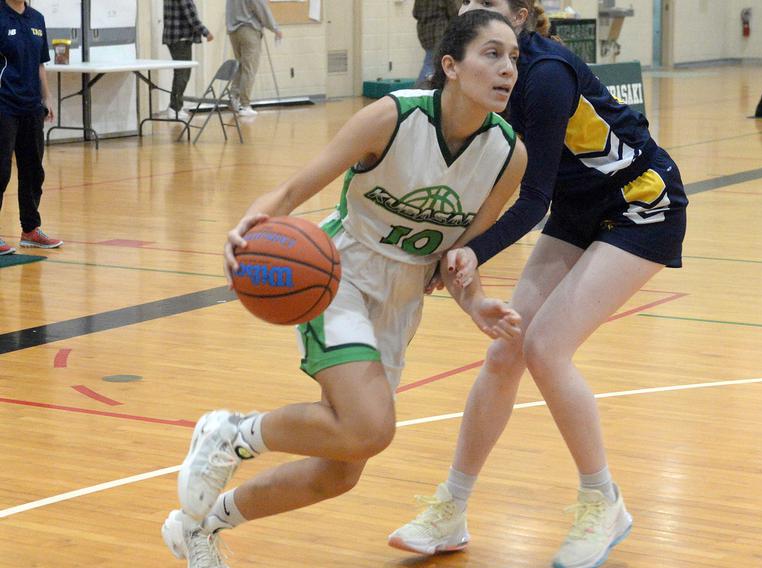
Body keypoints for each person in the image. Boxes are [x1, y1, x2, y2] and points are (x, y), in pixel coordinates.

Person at [160, 11, 527, 567]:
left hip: (402, 299)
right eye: (492, 54)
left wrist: (476, 303)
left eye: (514, 58)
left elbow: (456, 262)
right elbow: (292, 189)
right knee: (370, 427)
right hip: (340, 272)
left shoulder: (508, 155)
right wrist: (247, 227)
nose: (507, 70)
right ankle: (232, 433)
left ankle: (201, 528)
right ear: (450, 66)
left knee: (341, 470)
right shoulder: (393, 117)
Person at [388, 1, 688, 567]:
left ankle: (604, 502)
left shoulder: (544, 77)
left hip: (642, 205)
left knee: (547, 347)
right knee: (507, 352)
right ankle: (450, 509)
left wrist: (470, 253)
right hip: (581, 209)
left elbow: (531, 199)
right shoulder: (471, 74)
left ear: (522, 15)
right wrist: (447, 251)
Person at [0, 0, 63, 255]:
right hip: (4, 105)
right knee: (1, 171)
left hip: (31, 106)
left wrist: (46, 98)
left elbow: (40, 63)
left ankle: (31, 230)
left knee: (33, 170)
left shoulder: (37, 18)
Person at [226, 0, 283, 117]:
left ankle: (233, 98)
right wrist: (275, 28)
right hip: (248, 30)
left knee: (240, 67)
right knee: (249, 68)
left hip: (233, 32)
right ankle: (245, 105)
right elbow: (262, 9)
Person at [162, 0, 214, 121]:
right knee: (183, 74)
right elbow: (191, 17)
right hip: (180, 38)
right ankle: (174, 108)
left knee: (180, 73)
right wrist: (206, 32)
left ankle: (175, 107)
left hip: (174, 36)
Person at [413, 0, 459, 86]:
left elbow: (415, 13)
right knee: (431, 63)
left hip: (424, 33)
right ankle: (418, 91)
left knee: (433, 61)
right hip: (439, 33)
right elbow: (454, 13)